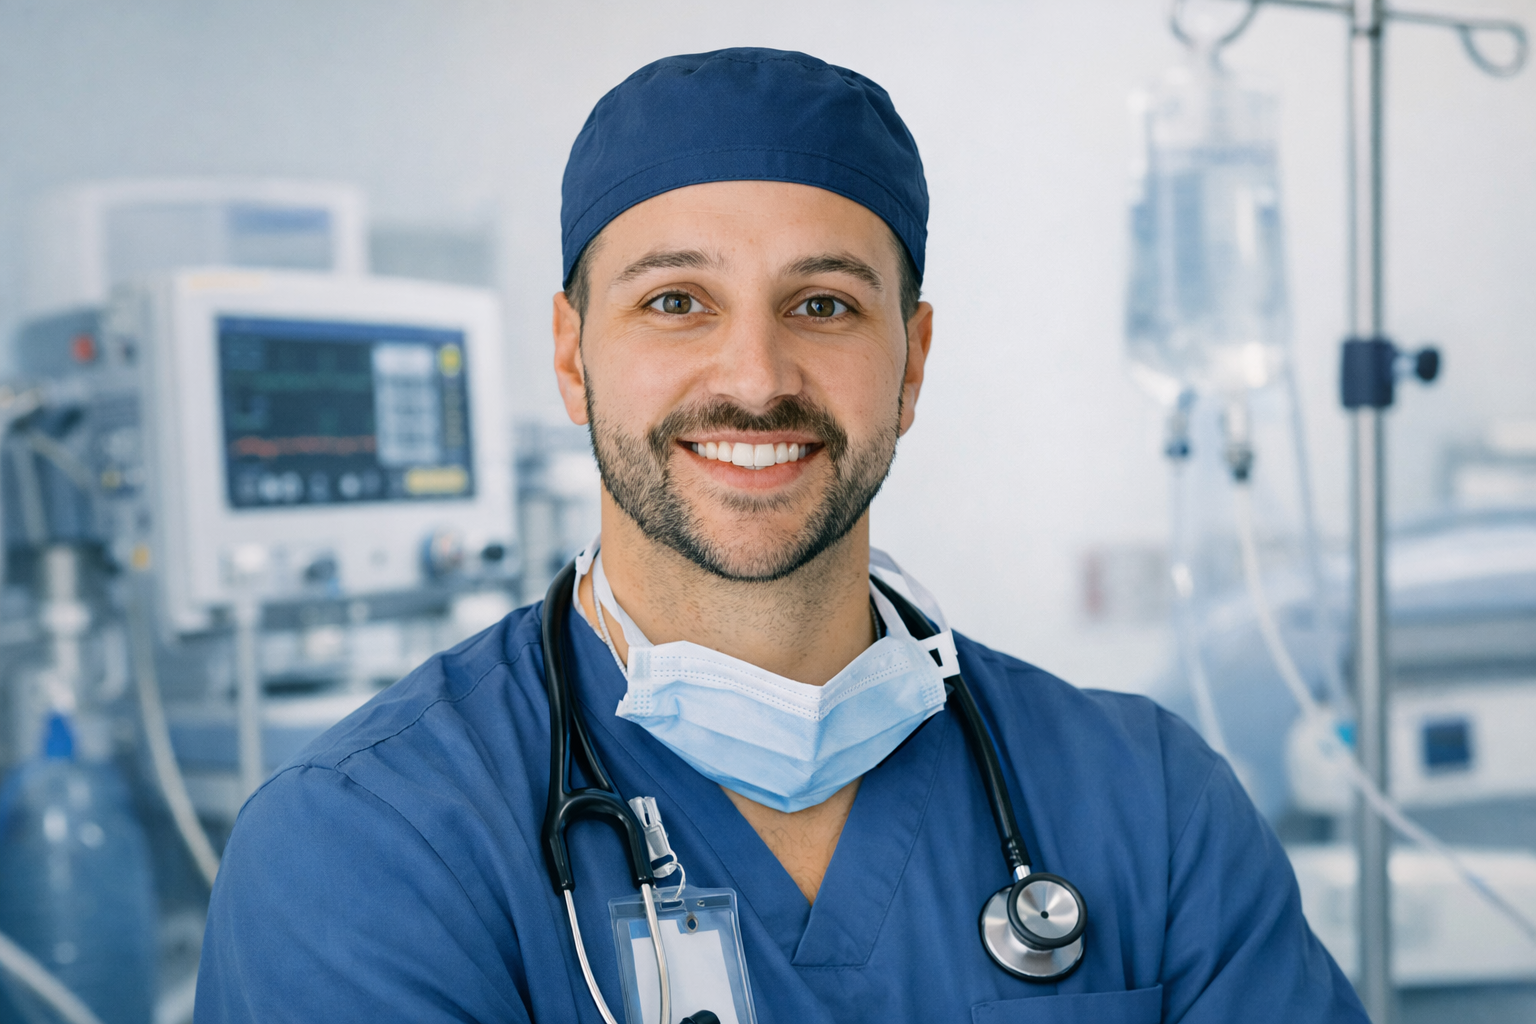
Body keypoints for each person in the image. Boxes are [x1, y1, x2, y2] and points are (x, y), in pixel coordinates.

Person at [194, 48, 1368, 1023]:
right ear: (571, 355)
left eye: (823, 305)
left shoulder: (1145, 807)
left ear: (911, 362)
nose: (755, 379)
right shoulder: (369, 843)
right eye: (674, 302)